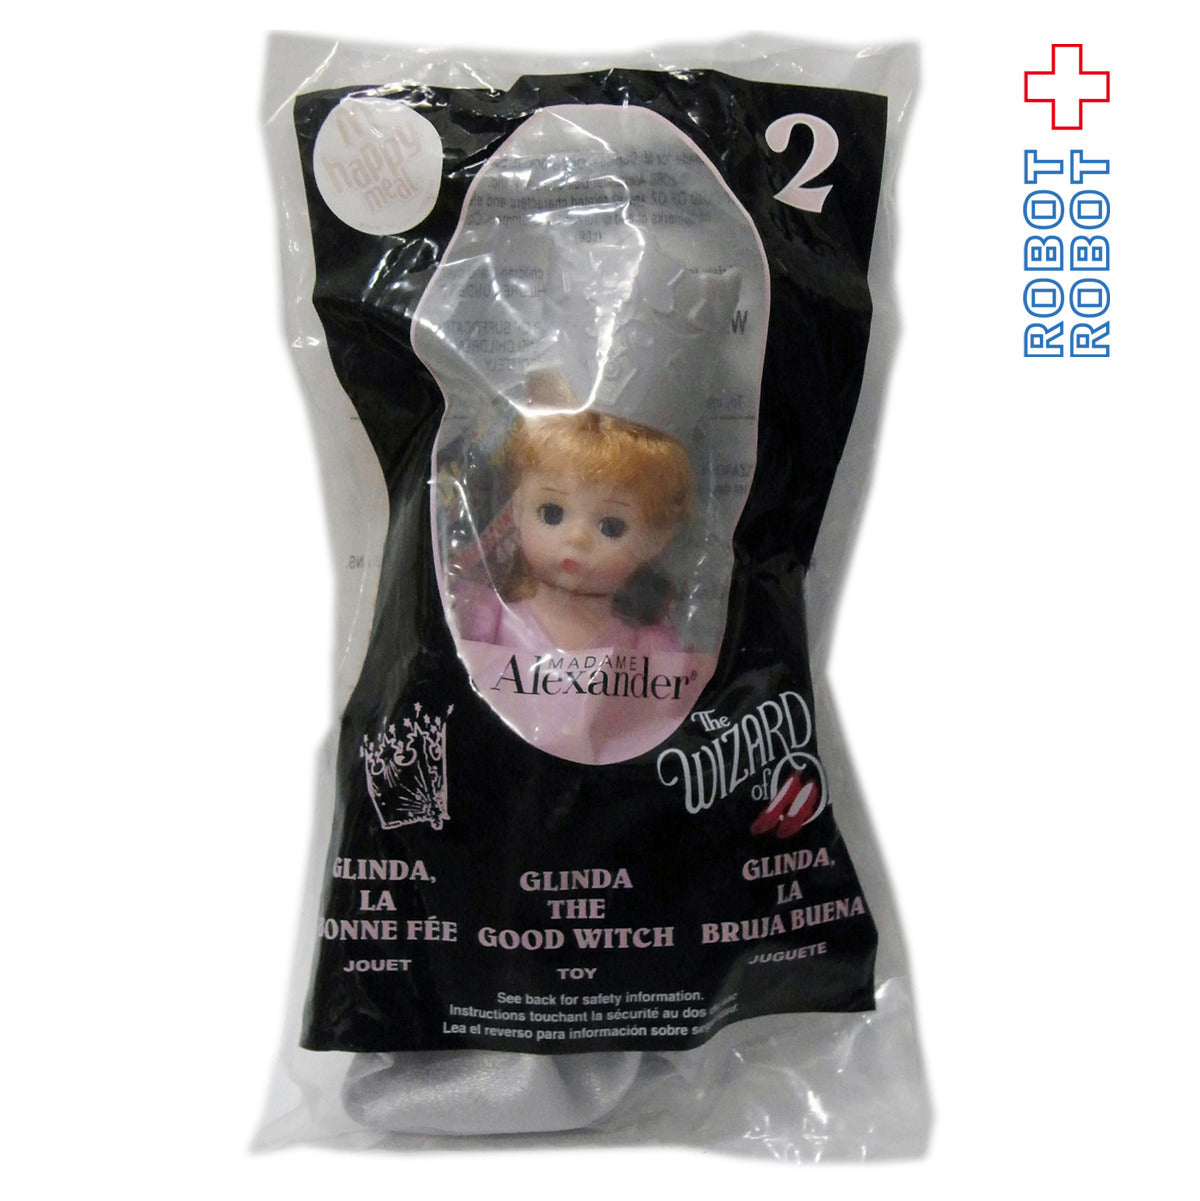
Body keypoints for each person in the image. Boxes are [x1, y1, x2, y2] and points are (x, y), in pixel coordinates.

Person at [454, 370, 695, 653]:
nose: (577, 538)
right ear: (517, 509)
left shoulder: (647, 648)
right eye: (551, 513)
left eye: (611, 527)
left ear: (655, 539)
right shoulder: (486, 618)